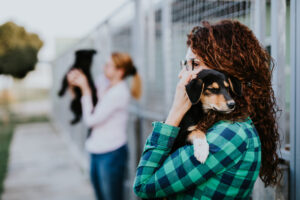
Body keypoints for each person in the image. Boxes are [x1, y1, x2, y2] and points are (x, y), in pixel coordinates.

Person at [133, 20, 280, 199]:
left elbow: (143, 185)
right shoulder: (215, 122)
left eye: (194, 64)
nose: (182, 74)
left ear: (223, 70)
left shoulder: (229, 134)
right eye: (184, 65)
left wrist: (175, 113)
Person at [67, 52, 142, 200]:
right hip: (96, 150)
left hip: (111, 153)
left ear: (119, 72)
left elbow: (91, 119)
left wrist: (85, 89)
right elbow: (83, 98)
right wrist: (75, 81)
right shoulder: (104, 83)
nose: (103, 68)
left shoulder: (119, 93)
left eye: (108, 66)